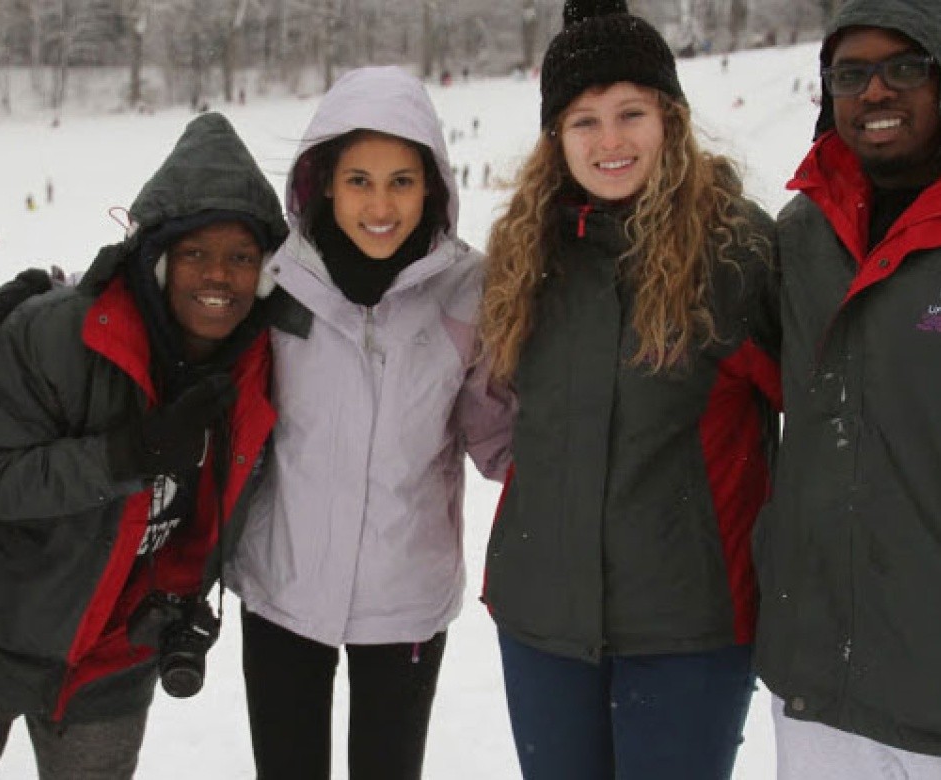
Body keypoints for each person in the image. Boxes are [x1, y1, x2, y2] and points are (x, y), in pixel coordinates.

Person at [0, 112, 288, 780]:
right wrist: (127, 457)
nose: (219, 276)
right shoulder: (58, 334)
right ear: (156, 259)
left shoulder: (259, 365)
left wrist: (187, 598)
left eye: (242, 258)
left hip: (110, 663)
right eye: (195, 254)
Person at [477, 1, 781, 778]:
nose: (609, 141)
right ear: (556, 137)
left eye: (630, 113)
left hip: (690, 631)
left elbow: (825, 414)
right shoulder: (526, 250)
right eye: (584, 120)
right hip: (543, 623)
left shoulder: (738, 252)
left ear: (671, 119)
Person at [225, 65, 513, 780]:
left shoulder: (468, 291)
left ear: (433, 187)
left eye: (402, 181)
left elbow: (497, 439)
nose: (380, 204)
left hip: (405, 601)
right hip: (282, 590)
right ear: (325, 181)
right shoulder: (277, 278)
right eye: (359, 180)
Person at [753, 0, 941, 776]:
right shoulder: (800, 236)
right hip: (818, 678)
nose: (876, 92)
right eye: (851, 74)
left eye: (904, 67)